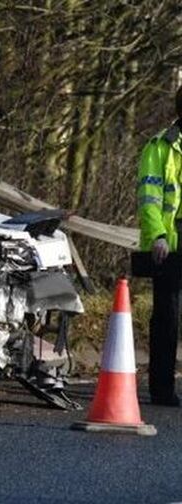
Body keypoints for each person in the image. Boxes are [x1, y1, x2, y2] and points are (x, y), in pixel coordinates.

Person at [137, 85, 182, 406]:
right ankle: (162, 389)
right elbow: (148, 200)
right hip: (170, 244)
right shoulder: (159, 147)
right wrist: (157, 236)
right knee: (166, 319)